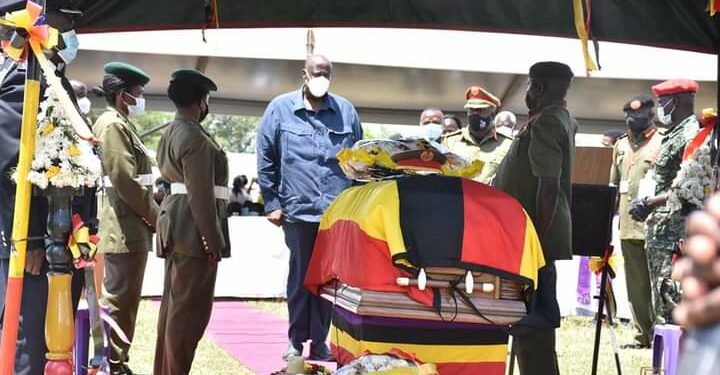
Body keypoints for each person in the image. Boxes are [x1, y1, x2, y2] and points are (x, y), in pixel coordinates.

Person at [257, 54, 362, 361]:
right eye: (317, 73)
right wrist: (272, 203)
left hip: (335, 212)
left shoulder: (345, 111)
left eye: (327, 73)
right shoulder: (280, 108)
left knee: (328, 280)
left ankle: (320, 341)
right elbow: (266, 158)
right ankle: (295, 340)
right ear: (304, 75)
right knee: (301, 277)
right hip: (297, 210)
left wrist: (354, 207)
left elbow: (357, 161)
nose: (322, 78)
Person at [0, 6, 87, 374]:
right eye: (67, 21)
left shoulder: (44, 74)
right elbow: (13, 166)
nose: (71, 33)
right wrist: (34, 238)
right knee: (28, 345)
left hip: (41, 242)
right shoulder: (24, 79)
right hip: (30, 247)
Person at [493, 61, 576, 375]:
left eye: (529, 85)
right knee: (530, 317)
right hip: (528, 234)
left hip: (532, 236)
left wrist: (535, 238)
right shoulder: (552, 118)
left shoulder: (548, 123)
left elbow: (549, 186)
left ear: (537, 88)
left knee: (533, 319)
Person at [154, 69, 230, 375]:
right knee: (188, 316)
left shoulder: (174, 130)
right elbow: (200, 197)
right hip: (192, 230)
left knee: (173, 310)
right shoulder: (194, 137)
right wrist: (213, 242)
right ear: (201, 101)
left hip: (177, 226)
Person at [93, 62, 158, 375]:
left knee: (126, 301)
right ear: (123, 96)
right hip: (124, 225)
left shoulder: (120, 123)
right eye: (138, 94)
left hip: (130, 225)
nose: (140, 100)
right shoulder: (113, 125)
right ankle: (112, 364)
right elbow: (126, 180)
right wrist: (157, 218)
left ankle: (117, 361)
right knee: (119, 302)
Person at [629, 79, 701, 324]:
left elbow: (689, 186)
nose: (659, 108)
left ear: (675, 102)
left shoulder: (692, 135)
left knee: (671, 300)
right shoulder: (675, 134)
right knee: (662, 300)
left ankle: (674, 360)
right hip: (662, 227)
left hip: (674, 231)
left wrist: (650, 202)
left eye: (662, 102)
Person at [609, 95, 663, 348]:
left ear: (651, 117)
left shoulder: (662, 143)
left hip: (656, 226)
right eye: (629, 118)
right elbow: (613, 185)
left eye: (638, 119)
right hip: (628, 226)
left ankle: (663, 334)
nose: (633, 122)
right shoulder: (620, 145)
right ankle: (643, 334)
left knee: (659, 284)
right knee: (635, 284)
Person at [442, 85, 512, 184]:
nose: (475, 114)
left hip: (490, 197)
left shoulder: (507, 144)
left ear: (492, 115)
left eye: (480, 110)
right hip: (460, 197)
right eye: (471, 110)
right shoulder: (449, 142)